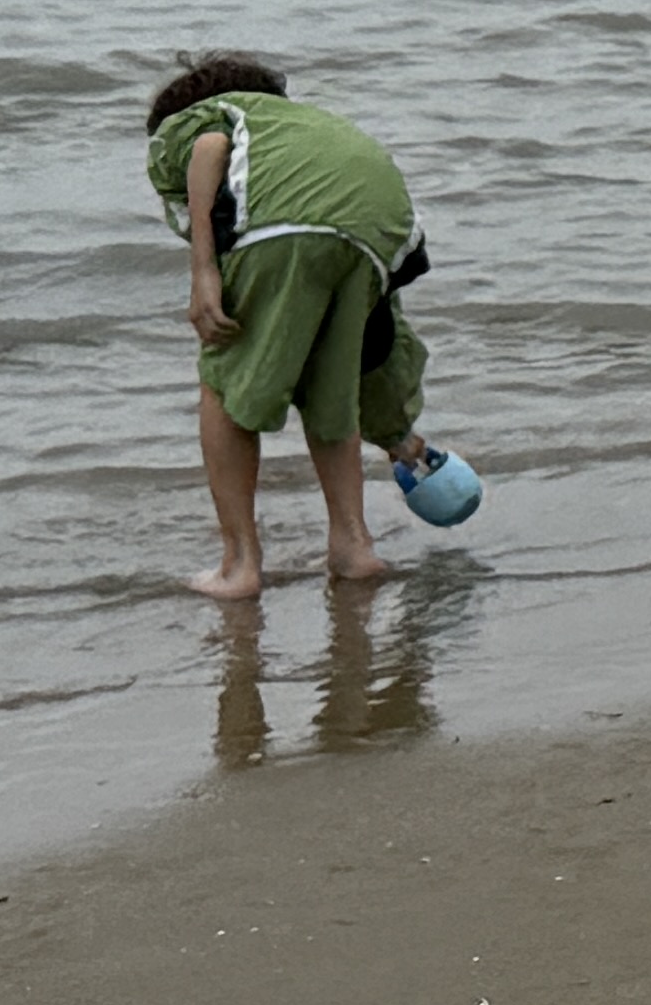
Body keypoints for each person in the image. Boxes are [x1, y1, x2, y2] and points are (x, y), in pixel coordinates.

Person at [146, 53, 451, 602]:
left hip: (285, 226)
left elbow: (207, 147)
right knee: (334, 386)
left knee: (225, 377)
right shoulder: (306, 130)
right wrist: (398, 435)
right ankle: (353, 547)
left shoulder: (209, 118)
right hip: (379, 224)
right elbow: (380, 349)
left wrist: (204, 270)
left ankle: (239, 566)